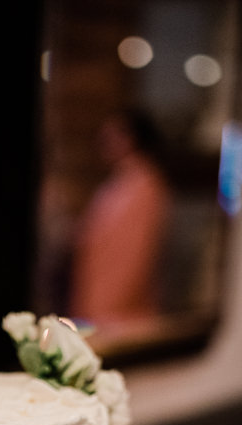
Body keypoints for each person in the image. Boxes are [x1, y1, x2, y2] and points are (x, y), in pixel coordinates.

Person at [71, 109, 172, 328]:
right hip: (98, 307)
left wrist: (105, 309)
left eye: (112, 134)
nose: (104, 141)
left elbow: (136, 257)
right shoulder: (120, 183)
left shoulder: (145, 186)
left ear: (131, 138)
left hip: (121, 315)